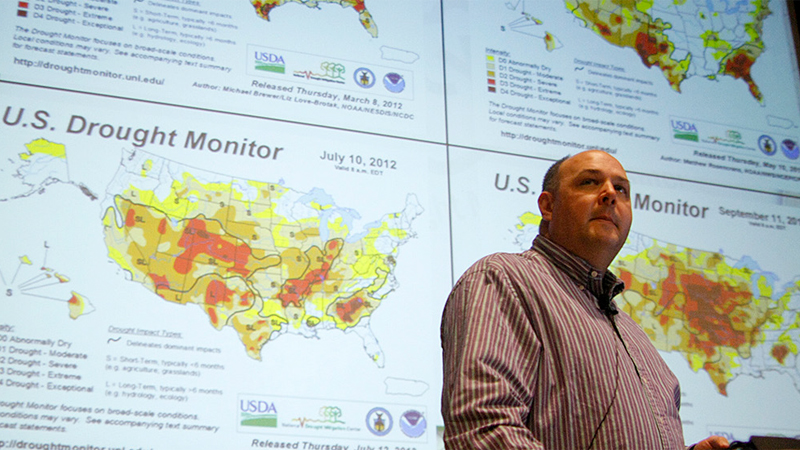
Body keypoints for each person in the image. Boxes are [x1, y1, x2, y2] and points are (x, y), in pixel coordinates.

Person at [441, 150, 729, 450]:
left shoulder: (634, 335)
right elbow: (483, 429)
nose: (609, 194)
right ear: (548, 206)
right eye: (590, 182)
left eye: (621, 189)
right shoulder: (504, 279)